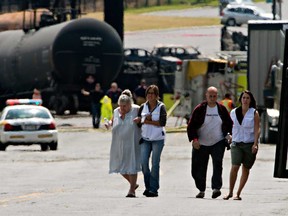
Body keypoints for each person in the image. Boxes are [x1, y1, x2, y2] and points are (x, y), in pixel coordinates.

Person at [187, 86, 233, 199]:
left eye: (214, 96)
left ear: (217, 96)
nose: (212, 98)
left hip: (218, 141)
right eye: (210, 96)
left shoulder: (221, 109)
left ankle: (216, 188)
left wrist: (229, 134)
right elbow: (191, 125)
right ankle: (201, 189)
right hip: (201, 143)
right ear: (206, 96)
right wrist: (195, 139)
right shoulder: (200, 109)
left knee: (218, 164)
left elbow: (229, 123)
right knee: (198, 168)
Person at [223, 90, 260, 201]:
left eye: (247, 98)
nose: (245, 100)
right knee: (235, 167)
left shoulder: (254, 113)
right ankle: (230, 192)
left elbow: (257, 129)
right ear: (240, 99)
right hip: (236, 143)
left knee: (246, 168)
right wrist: (228, 135)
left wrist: (255, 144)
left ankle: (238, 193)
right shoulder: (234, 112)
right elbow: (229, 126)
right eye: (243, 98)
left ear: (250, 100)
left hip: (249, 144)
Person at [135, 85, 167, 197]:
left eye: (153, 93)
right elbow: (139, 123)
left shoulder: (161, 107)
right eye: (148, 93)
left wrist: (147, 121)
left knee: (155, 163)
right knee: (143, 163)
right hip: (145, 139)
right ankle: (148, 186)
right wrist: (139, 120)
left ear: (157, 95)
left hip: (158, 139)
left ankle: (153, 189)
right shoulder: (142, 107)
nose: (150, 95)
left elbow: (162, 123)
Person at [108, 94, 141, 198]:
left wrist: (141, 119)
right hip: (118, 145)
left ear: (130, 104)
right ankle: (133, 184)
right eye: (120, 106)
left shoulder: (136, 109)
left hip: (132, 144)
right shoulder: (116, 111)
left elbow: (144, 118)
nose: (122, 108)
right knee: (120, 167)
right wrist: (109, 123)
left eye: (124, 106)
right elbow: (113, 121)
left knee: (132, 166)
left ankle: (132, 190)